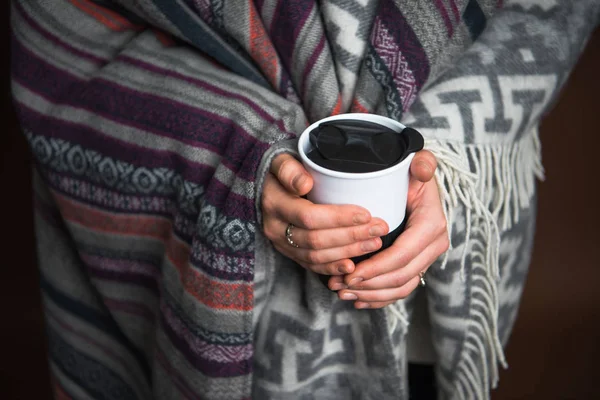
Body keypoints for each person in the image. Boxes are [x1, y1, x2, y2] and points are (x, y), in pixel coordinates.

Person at [10, 0, 599, 399]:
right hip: (224, 304)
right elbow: (62, 27)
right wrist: (237, 156)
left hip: (439, 274)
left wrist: (447, 152)